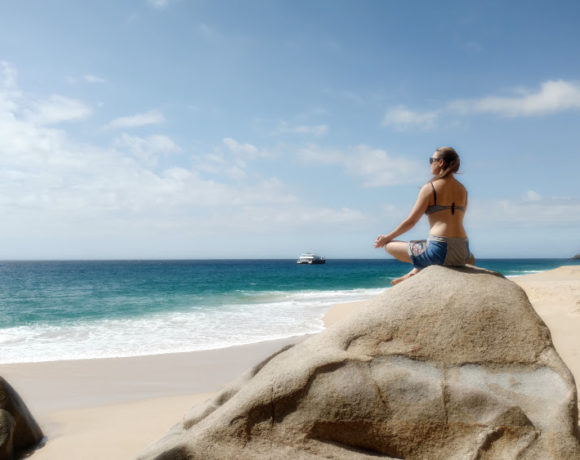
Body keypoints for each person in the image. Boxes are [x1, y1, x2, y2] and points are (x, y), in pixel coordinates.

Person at [374, 146, 471, 285]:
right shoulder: (463, 190)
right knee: (421, 245)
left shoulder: (430, 188)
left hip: (440, 251)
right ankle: (412, 273)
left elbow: (411, 222)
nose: (431, 163)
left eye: (432, 160)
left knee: (390, 246)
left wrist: (386, 238)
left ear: (441, 162)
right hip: (463, 250)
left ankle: (414, 272)